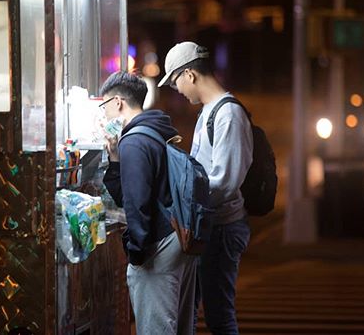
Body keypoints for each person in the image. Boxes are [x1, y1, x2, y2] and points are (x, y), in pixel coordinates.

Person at [159, 41, 253, 334]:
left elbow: (225, 182)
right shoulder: (208, 112)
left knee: (219, 316)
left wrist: (184, 200)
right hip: (208, 226)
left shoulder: (228, 115)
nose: (178, 90)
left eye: (176, 82)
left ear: (190, 74)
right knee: (198, 309)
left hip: (222, 228)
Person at [101, 71, 197, 335]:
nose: (105, 113)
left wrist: (136, 254)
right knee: (178, 325)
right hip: (178, 238)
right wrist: (115, 159)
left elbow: (136, 205)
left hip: (159, 246)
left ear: (118, 102)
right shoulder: (156, 131)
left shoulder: (134, 141)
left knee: (156, 327)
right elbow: (137, 193)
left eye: (104, 105)